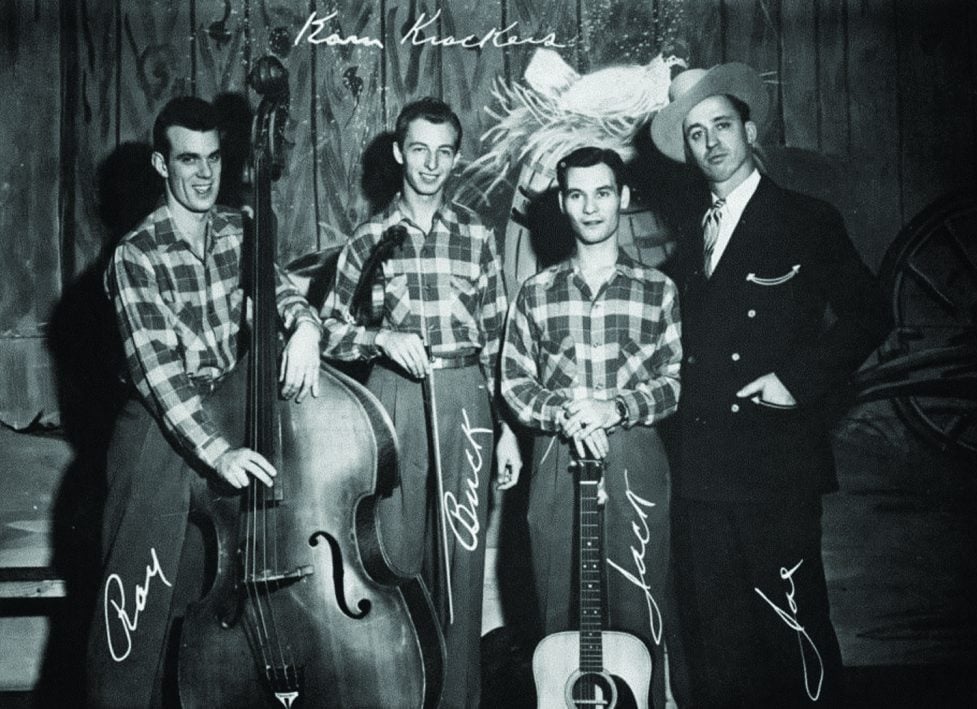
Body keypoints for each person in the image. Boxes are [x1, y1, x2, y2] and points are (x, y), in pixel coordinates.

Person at [651, 64, 893, 706]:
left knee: (793, 628)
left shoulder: (805, 219)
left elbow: (871, 311)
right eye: (696, 134)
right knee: (719, 642)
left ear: (750, 129)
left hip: (775, 464)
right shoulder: (691, 238)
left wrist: (797, 379)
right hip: (701, 472)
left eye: (721, 126)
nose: (711, 144)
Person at [85, 96, 322, 708]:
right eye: (188, 160)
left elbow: (284, 293)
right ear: (162, 166)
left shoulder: (242, 228)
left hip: (228, 431)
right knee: (136, 628)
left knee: (205, 613)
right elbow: (159, 374)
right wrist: (218, 452)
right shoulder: (135, 255)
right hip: (159, 444)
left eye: (214, 158)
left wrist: (306, 328)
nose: (204, 174)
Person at [320, 97, 523, 708]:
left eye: (443, 152)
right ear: (397, 153)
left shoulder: (476, 235)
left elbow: (499, 339)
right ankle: (404, 696)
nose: (430, 164)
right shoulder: (369, 238)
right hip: (395, 398)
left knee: (462, 561)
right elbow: (329, 328)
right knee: (398, 556)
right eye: (418, 150)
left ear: (455, 157)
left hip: (467, 398)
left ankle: (460, 699)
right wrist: (382, 337)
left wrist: (508, 429)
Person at [501, 146, 683, 707]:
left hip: (634, 454)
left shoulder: (658, 289)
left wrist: (616, 408)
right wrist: (563, 414)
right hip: (558, 456)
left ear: (622, 198)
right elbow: (512, 379)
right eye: (576, 194)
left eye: (603, 192)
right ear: (562, 203)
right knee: (559, 605)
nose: (590, 206)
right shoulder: (536, 292)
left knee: (642, 603)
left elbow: (674, 381)